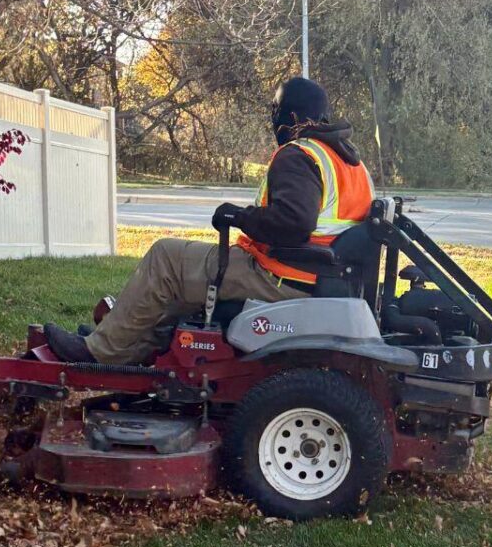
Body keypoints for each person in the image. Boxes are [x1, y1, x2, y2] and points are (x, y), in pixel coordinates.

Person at [43, 77, 374, 365]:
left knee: (167, 258)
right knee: (187, 270)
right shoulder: (350, 163)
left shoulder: (298, 155)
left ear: (291, 116)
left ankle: (99, 351)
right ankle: (129, 344)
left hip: (281, 277)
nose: (274, 121)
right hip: (317, 278)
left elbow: (294, 223)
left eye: (275, 113)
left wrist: (239, 216)